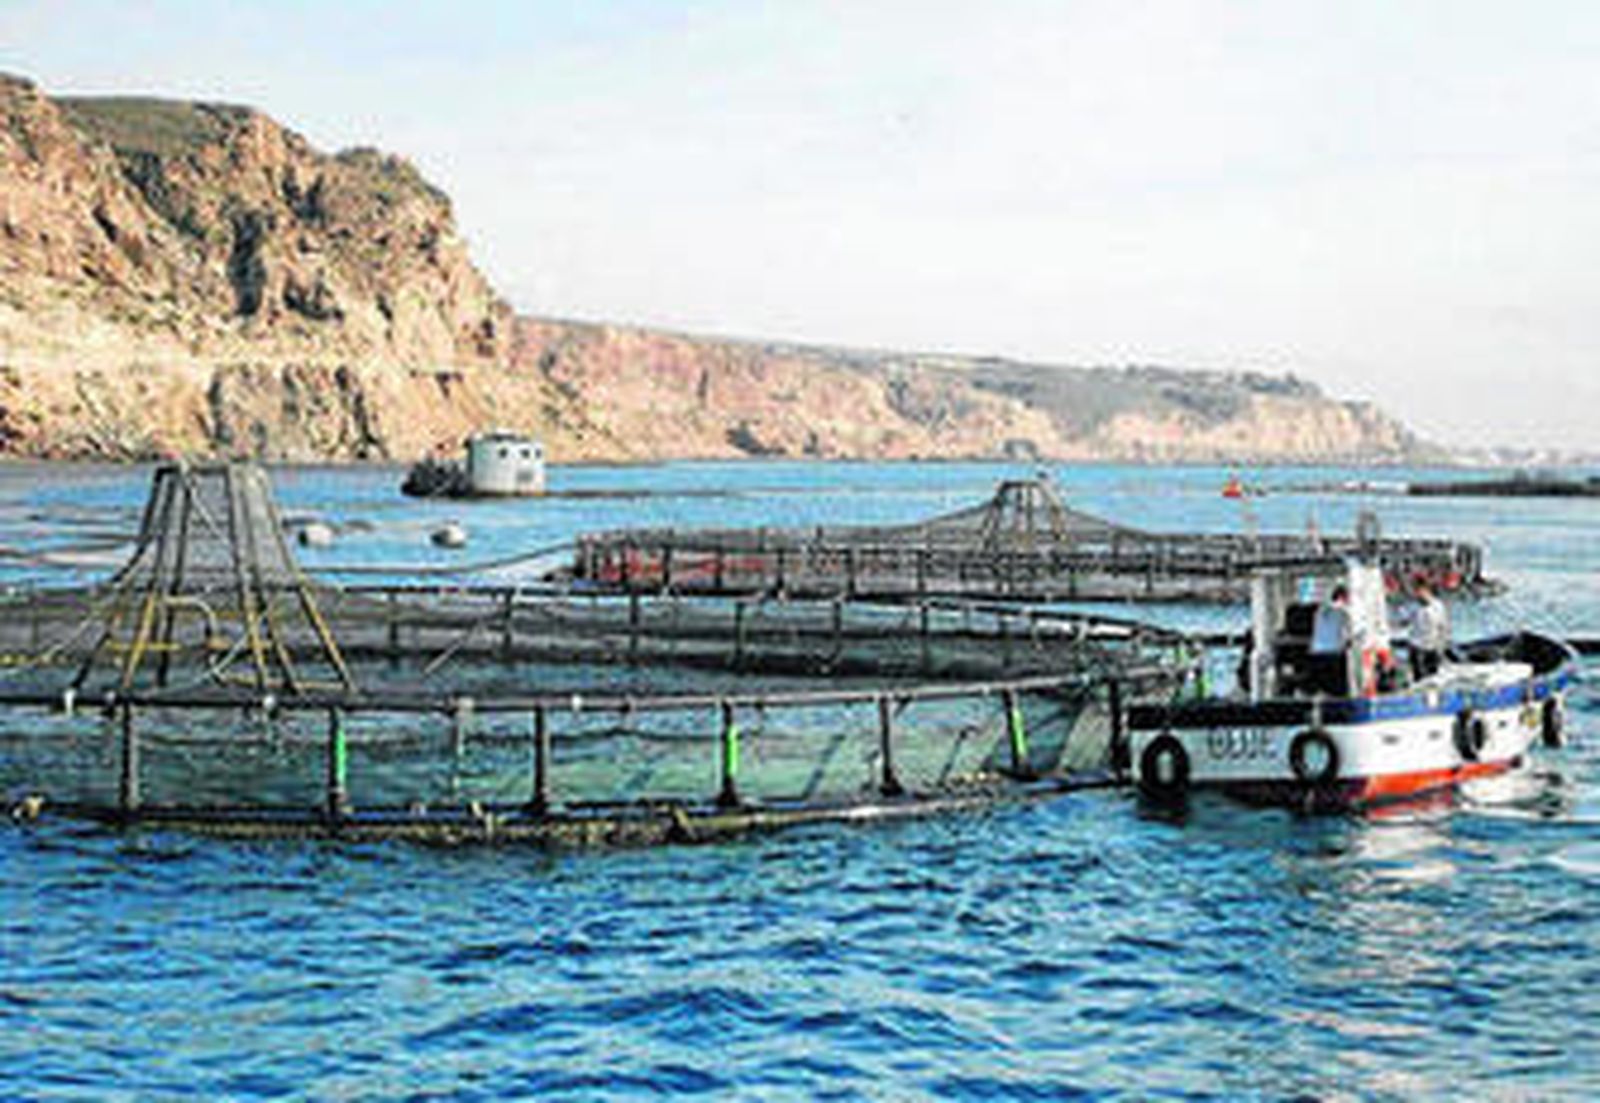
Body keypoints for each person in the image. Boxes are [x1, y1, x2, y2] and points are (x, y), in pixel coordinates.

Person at [1307, 584, 1352, 695]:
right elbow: (1346, 636)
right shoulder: (1342, 613)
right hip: (1333, 655)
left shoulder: (1320, 611)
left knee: (1322, 688)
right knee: (1338, 691)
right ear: (1342, 597)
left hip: (1316, 654)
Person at [1407, 580, 1450, 680]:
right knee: (1419, 677)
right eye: (1415, 592)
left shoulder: (1438, 606)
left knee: (1433, 676)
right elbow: (1407, 622)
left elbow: (1443, 626)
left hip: (1432, 647)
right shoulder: (1415, 607)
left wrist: (1442, 645)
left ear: (1426, 591)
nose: (1416, 595)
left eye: (1418, 591)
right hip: (1417, 647)